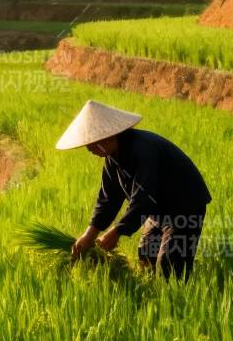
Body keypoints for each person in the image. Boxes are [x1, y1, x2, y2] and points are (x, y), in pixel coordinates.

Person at [55, 100, 211, 279]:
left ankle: (176, 299)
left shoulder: (143, 150)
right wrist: (89, 235)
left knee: (170, 263)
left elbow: (143, 198)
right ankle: (151, 295)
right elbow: (108, 199)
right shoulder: (113, 157)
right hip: (158, 209)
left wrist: (117, 232)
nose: (89, 149)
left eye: (92, 142)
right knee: (146, 255)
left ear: (108, 135)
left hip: (185, 205)